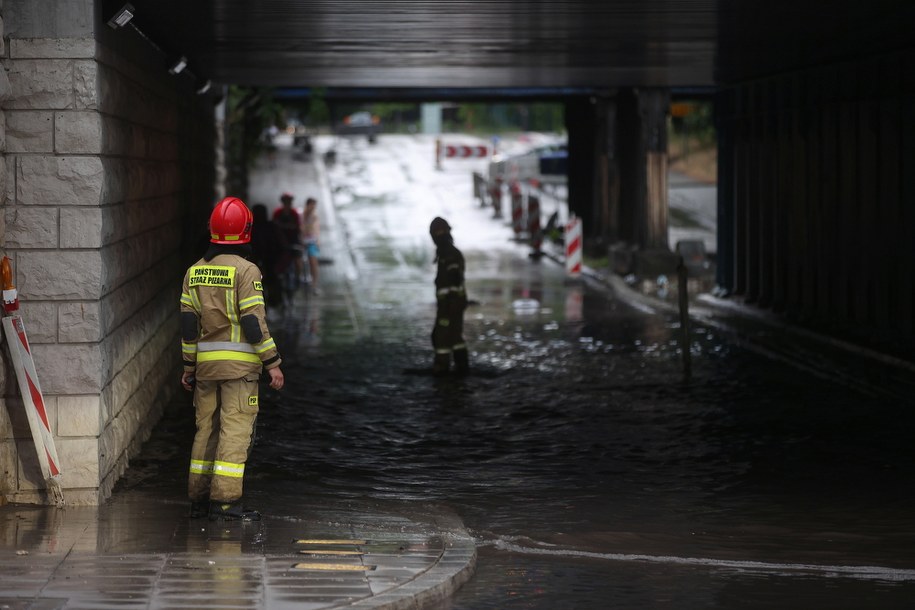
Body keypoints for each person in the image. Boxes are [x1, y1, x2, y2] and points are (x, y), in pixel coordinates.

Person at [180, 196, 285, 521]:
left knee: (206, 431)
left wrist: (188, 367)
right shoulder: (246, 270)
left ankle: (198, 500)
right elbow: (253, 322)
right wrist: (273, 362)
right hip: (239, 371)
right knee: (234, 431)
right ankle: (226, 504)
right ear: (246, 231)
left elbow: (188, 326)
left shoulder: (194, 271)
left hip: (207, 369)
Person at [429, 217, 469, 375]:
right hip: (453, 303)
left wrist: (448, 304)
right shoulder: (447, 252)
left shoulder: (449, 254)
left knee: (441, 336)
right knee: (455, 335)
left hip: (450, 304)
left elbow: (453, 280)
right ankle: (462, 365)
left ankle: (442, 368)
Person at [249, 203, 287, 310]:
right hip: (257, 263)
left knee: (273, 287)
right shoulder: (252, 228)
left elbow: (282, 247)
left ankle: (274, 304)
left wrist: (279, 266)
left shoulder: (271, 228)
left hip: (271, 262)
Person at [272, 192, 305, 283]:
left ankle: (299, 276)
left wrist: (301, 242)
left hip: (293, 240)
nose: (288, 203)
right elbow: (274, 226)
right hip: (280, 241)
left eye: (289, 201)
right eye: (286, 201)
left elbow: (298, 228)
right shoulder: (277, 212)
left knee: (297, 258)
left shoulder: (294, 213)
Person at [301, 197, 321, 293]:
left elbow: (316, 229)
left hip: (312, 241)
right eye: (311, 205)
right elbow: (301, 228)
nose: (313, 207)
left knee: (313, 263)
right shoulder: (302, 215)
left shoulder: (314, 216)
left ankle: (314, 284)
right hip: (303, 242)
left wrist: (317, 240)